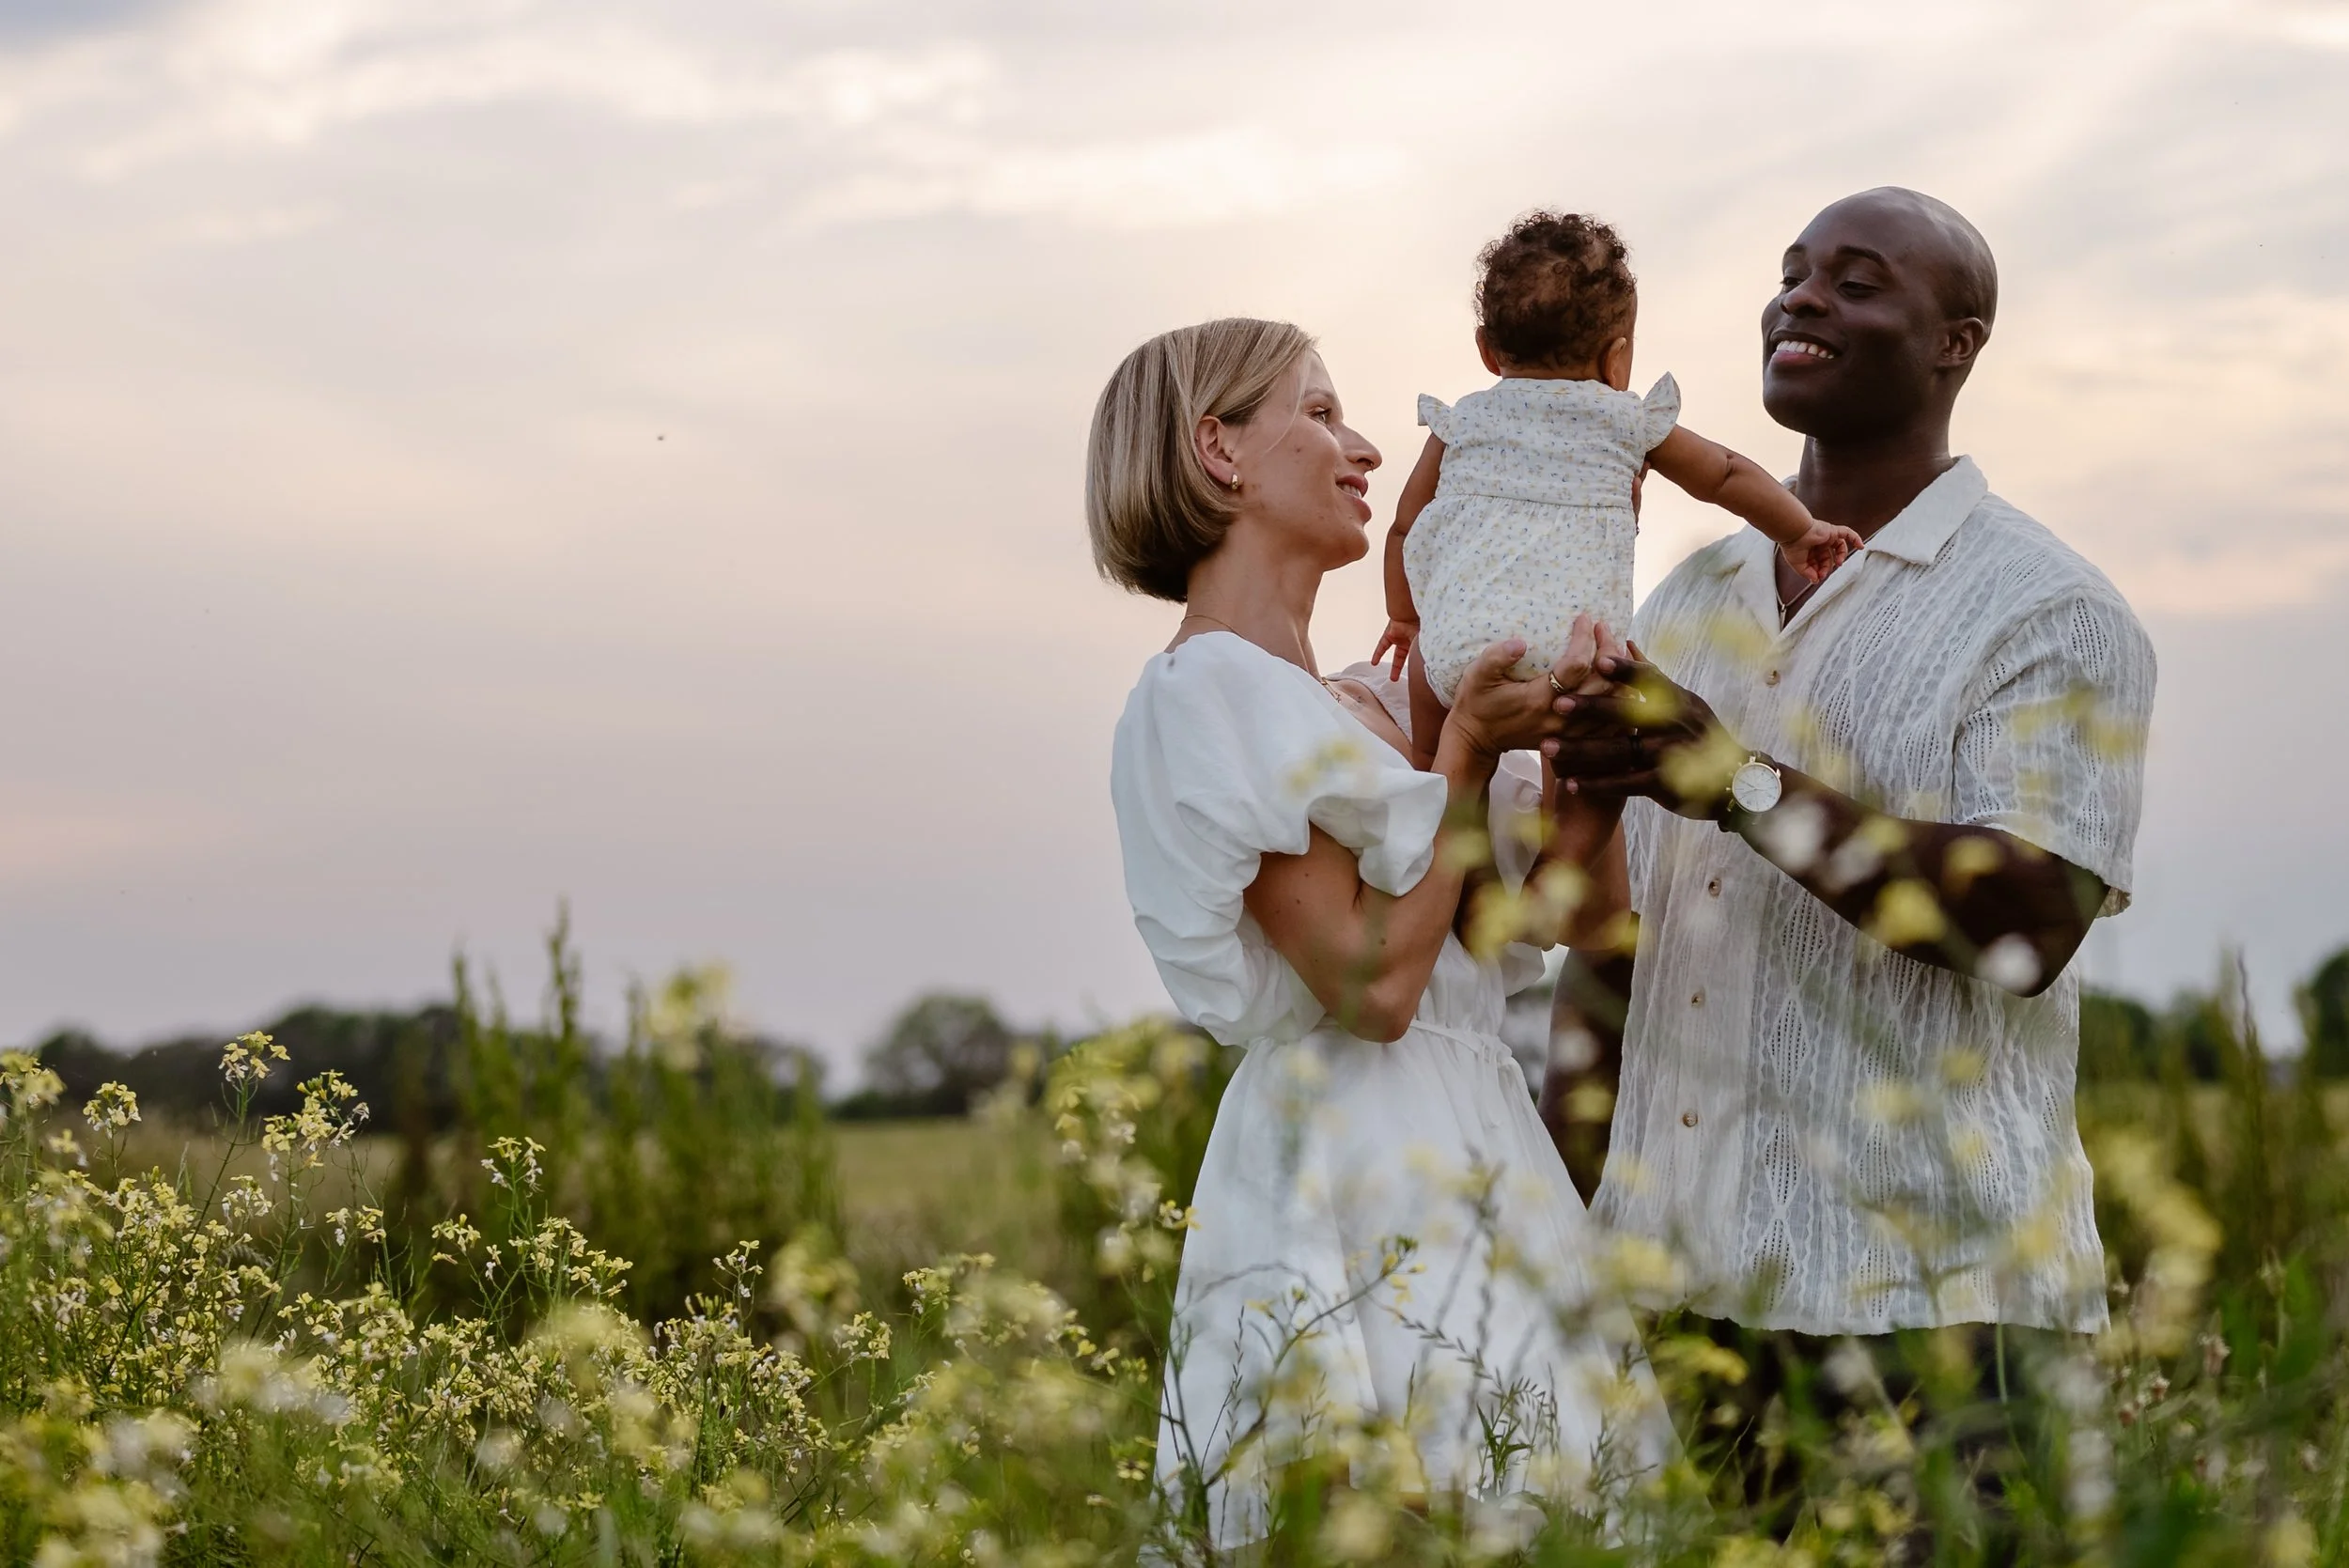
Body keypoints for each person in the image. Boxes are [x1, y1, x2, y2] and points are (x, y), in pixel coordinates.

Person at [1544, 188, 2157, 1522]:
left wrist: (1736, 781)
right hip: (1673, 1296)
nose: (1801, 299)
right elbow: (1618, 944)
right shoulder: (1688, 599)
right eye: (1791, 273)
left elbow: (2028, 924)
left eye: (1857, 281)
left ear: (1958, 344)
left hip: (1941, 1309)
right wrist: (1558, 1215)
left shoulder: (2050, 608)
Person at [1091, 318, 1673, 1550]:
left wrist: (1590, 768)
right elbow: (1374, 988)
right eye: (1318, 411)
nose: (1364, 448)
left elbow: (1563, 922)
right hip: (1350, 1150)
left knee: (1532, 1506)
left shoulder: (1352, 704)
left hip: (1478, 1133)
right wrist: (1460, 748)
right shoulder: (1211, 695)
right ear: (1219, 449)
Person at [1375, 211, 1863, 768]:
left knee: (1431, 739)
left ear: (1487, 350)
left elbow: (1407, 524)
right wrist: (1798, 530)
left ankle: (1434, 805)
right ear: (1617, 357)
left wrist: (1406, 617)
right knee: (1584, 769)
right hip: (1580, 655)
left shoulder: (1463, 422)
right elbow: (1724, 474)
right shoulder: (1623, 421)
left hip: (1460, 648)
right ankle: (1571, 843)